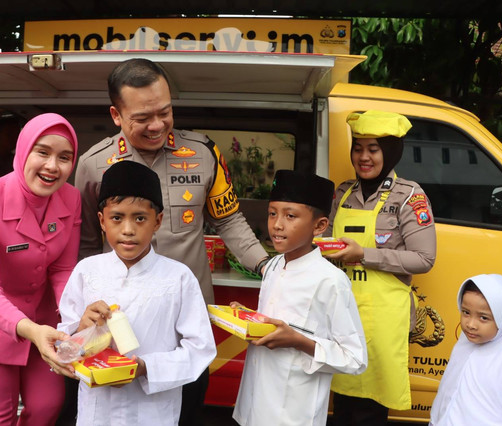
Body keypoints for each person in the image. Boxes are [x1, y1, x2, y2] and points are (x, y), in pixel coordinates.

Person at [73, 57, 269, 425]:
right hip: (118, 329)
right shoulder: (92, 165)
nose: (158, 124)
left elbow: (228, 219)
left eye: (165, 111)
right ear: (116, 114)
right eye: (143, 118)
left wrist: (269, 266)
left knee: (189, 411)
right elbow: (85, 245)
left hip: (185, 328)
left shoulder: (203, 153)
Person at [58, 160, 216, 426]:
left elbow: (199, 350)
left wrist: (145, 368)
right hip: (98, 413)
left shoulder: (178, 278)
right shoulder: (87, 272)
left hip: (153, 413)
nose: (128, 230)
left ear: (158, 221)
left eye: (140, 218)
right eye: (117, 218)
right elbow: (63, 351)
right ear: (102, 221)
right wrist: (81, 331)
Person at [0, 113, 81, 425]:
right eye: (42, 152)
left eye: (64, 157)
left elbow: (62, 270)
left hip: (43, 324)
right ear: (23, 151)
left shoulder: (71, 198)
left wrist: (76, 317)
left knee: (48, 406)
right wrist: (32, 331)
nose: (52, 166)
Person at [325, 110, 437, 424]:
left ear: (389, 152)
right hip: (344, 311)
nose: (364, 156)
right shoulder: (343, 193)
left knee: (370, 410)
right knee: (342, 402)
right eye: (358, 148)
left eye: (373, 149)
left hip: (383, 317)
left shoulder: (409, 196)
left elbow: (424, 258)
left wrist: (364, 254)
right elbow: (327, 240)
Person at [230, 170, 367, 426]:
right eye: (273, 213)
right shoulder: (272, 266)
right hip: (253, 404)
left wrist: (298, 341)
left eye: (290, 216)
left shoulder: (330, 281)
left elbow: (355, 358)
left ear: (319, 225)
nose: (277, 224)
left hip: (293, 413)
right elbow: (276, 321)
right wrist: (248, 318)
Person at [429, 274, 502, 425]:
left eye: (483, 318)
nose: (470, 324)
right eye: (466, 312)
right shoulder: (464, 343)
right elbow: (447, 390)